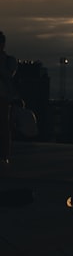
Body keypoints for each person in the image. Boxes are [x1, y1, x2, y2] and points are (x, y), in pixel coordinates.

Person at [0, 32, 17, 164]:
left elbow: (9, 75)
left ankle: (4, 155)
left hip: (3, 97)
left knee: (4, 126)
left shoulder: (9, 60)